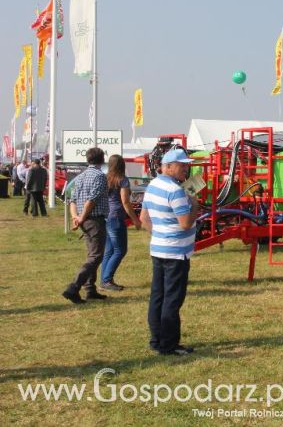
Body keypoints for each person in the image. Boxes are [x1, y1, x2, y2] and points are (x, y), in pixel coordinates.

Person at [140, 149, 199, 355]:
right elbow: (185, 223)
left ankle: (156, 339)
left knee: (158, 296)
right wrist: (195, 205)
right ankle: (169, 344)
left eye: (186, 164)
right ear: (167, 167)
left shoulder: (153, 185)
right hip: (176, 253)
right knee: (172, 299)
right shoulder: (175, 191)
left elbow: (144, 219)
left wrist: (160, 234)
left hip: (159, 249)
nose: (186, 168)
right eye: (181, 165)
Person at [62, 148, 109, 304]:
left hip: (84, 220)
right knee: (96, 256)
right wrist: (81, 217)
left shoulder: (80, 177)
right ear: (102, 160)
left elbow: (72, 199)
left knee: (91, 255)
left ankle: (90, 290)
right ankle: (74, 287)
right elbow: (92, 199)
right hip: (94, 219)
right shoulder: (100, 176)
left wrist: (76, 217)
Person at [100, 155, 142, 291]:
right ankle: (107, 280)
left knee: (109, 251)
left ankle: (104, 280)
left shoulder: (105, 179)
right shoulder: (122, 180)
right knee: (120, 250)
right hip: (117, 217)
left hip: (107, 216)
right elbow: (125, 201)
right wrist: (135, 220)